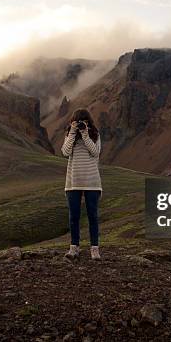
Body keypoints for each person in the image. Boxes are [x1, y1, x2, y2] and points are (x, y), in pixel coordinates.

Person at [61, 108, 102, 260]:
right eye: (77, 122)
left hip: (92, 181)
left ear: (88, 122)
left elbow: (95, 152)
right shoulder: (70, 135)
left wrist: (85, 134)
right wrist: (72, 132)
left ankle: (94, 249)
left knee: (93, 216)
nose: (80, 125)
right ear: (73, 122)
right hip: (73, 181)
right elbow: (65, 152)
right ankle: (74, 248)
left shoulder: (95, 134)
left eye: (83, 122)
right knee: (74, 216)